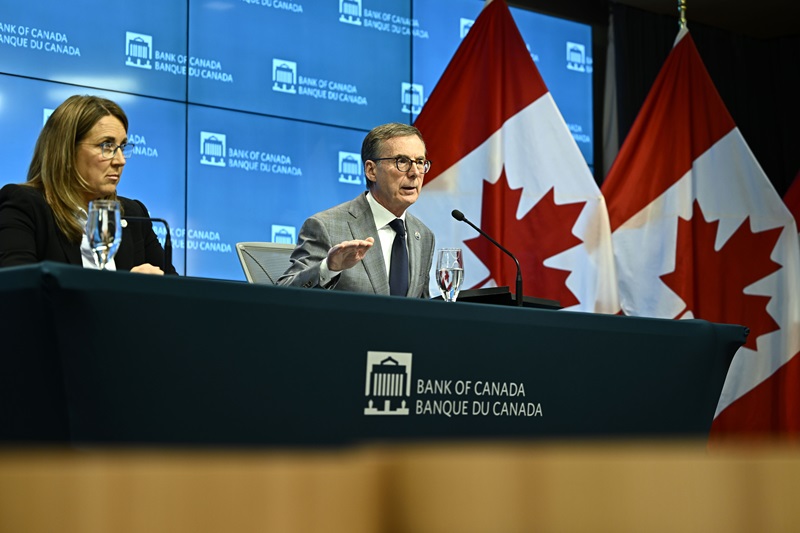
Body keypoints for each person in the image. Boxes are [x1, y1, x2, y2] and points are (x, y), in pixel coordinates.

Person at [0, 95, 176, 274]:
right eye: (106, 146)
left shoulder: (134, 215)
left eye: (122, 147)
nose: (120, 160)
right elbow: (18, 293)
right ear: (67, 150)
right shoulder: (25, 206)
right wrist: (126, 293)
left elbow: (179, 295)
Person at [277, 122, 435, 297]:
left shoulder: (423, 235)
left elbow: (422, 307)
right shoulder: (325, 226)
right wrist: (328, 268)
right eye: (402, 161)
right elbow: (283, 294)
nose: (414, 172)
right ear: (371, 170)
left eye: (420, 162)